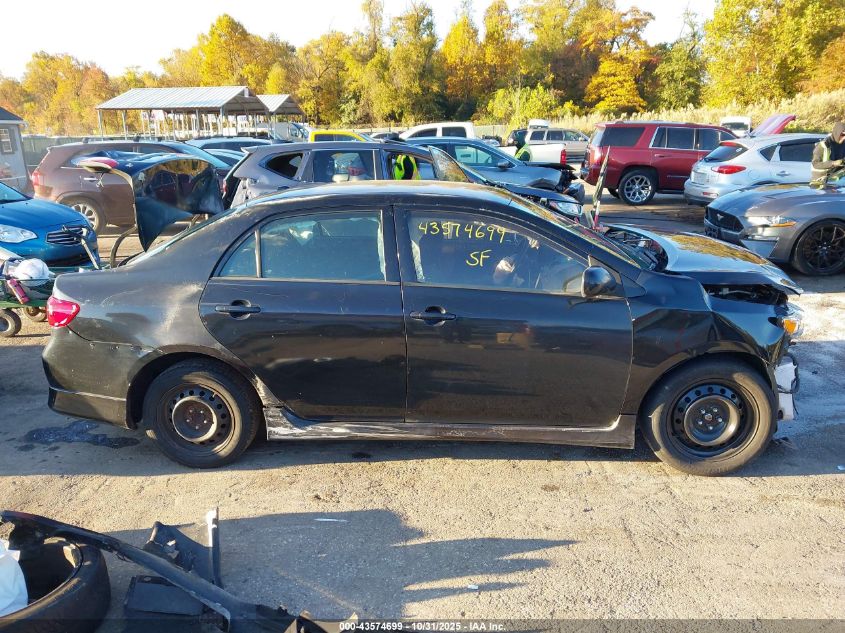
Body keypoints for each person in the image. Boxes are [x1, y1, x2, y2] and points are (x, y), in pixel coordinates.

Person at [810, 122, 845, 187]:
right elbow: (815, 164)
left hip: (836, 182)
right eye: (842, 135)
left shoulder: (843, 144)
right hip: (819, 183)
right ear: (837, 133)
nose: (844, 138)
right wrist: (833, 163)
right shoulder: (823, 145)